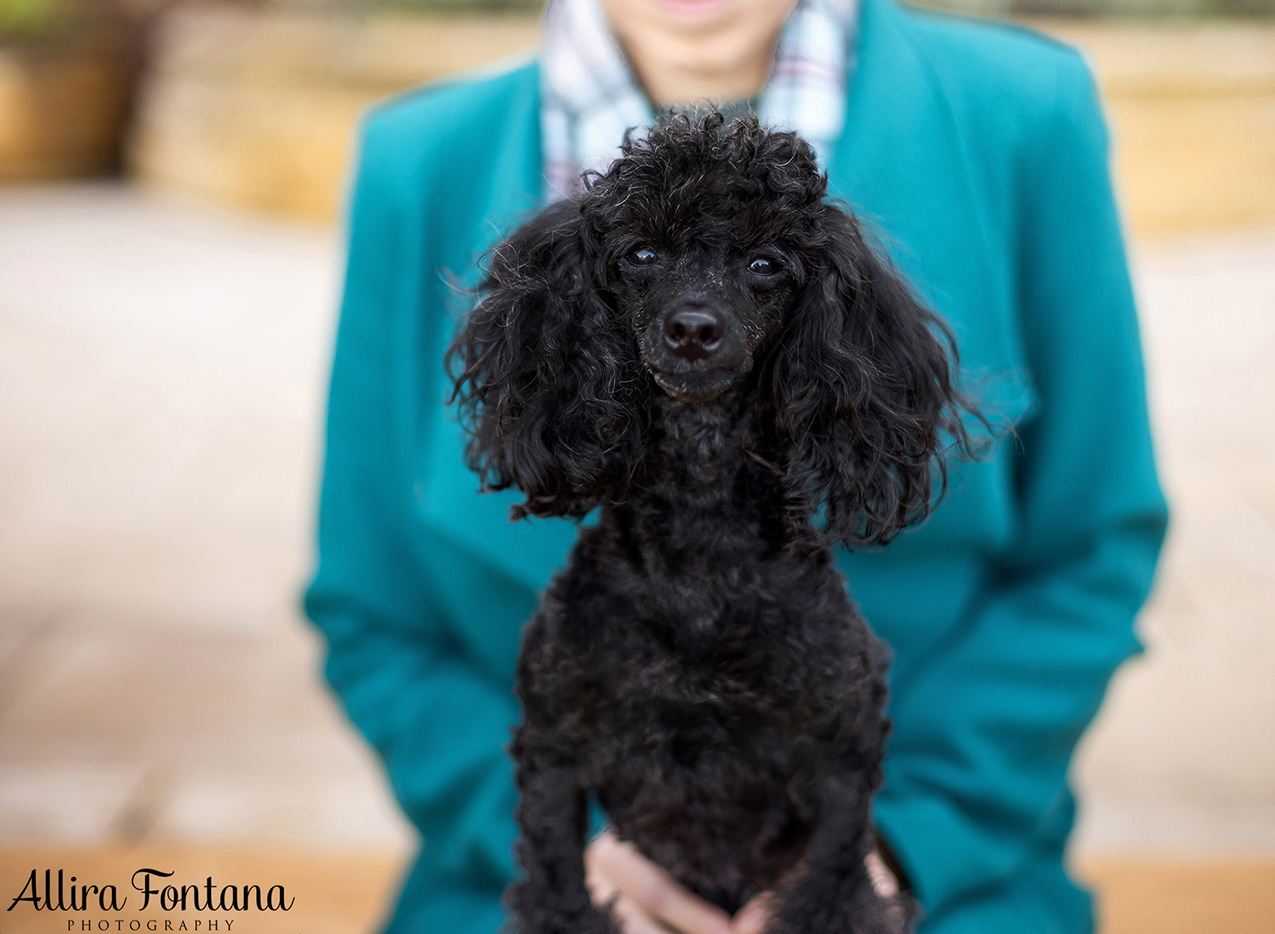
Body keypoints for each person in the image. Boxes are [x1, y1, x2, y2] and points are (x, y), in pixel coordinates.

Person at [302, 0, 1169, 931]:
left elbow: (1089, 554)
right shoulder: (415, 158)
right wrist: (587, 860)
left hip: (936, 876)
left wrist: (881, 854)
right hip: (530, 885)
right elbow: (373, 612)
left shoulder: (1028, 111)